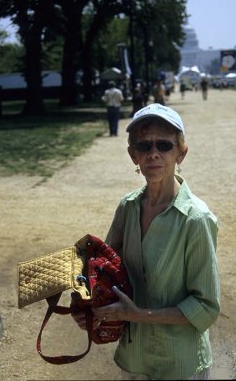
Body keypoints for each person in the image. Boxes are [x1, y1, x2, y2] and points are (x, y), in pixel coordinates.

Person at [73, 103, 220, 380]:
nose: (153, 154)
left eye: (164, 145)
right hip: (133, 357)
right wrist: (87, 307)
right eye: (144, 146)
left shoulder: (196, 219)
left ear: (181, 153)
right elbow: (102, 273)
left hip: (179, 363)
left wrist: (138, 314)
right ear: (133, 155)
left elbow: (206, 308)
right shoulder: (127, 207)